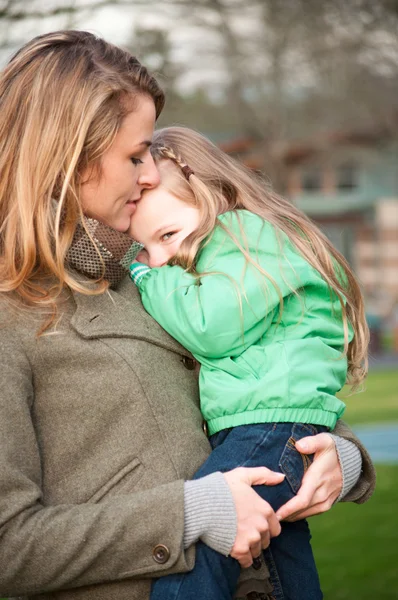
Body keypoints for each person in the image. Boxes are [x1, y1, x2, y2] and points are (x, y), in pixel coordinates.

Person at [0, 31, 375, 600]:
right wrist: (187, 512)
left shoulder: (150, 271)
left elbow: (266, 384)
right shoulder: (12, 311)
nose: (151, 174)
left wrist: (342, 458)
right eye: (134, 156)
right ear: (68, 157)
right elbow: (9, 545)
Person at [128, 126, 371, 600]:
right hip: (269, 424)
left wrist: (139, 273)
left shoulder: (242, 235)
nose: (159, 259)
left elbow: (208, 327)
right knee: (281, 557)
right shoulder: (227, 243)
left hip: (267, 426)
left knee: (201, 535)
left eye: (167, 236)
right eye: (146, 249)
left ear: (211, 195)